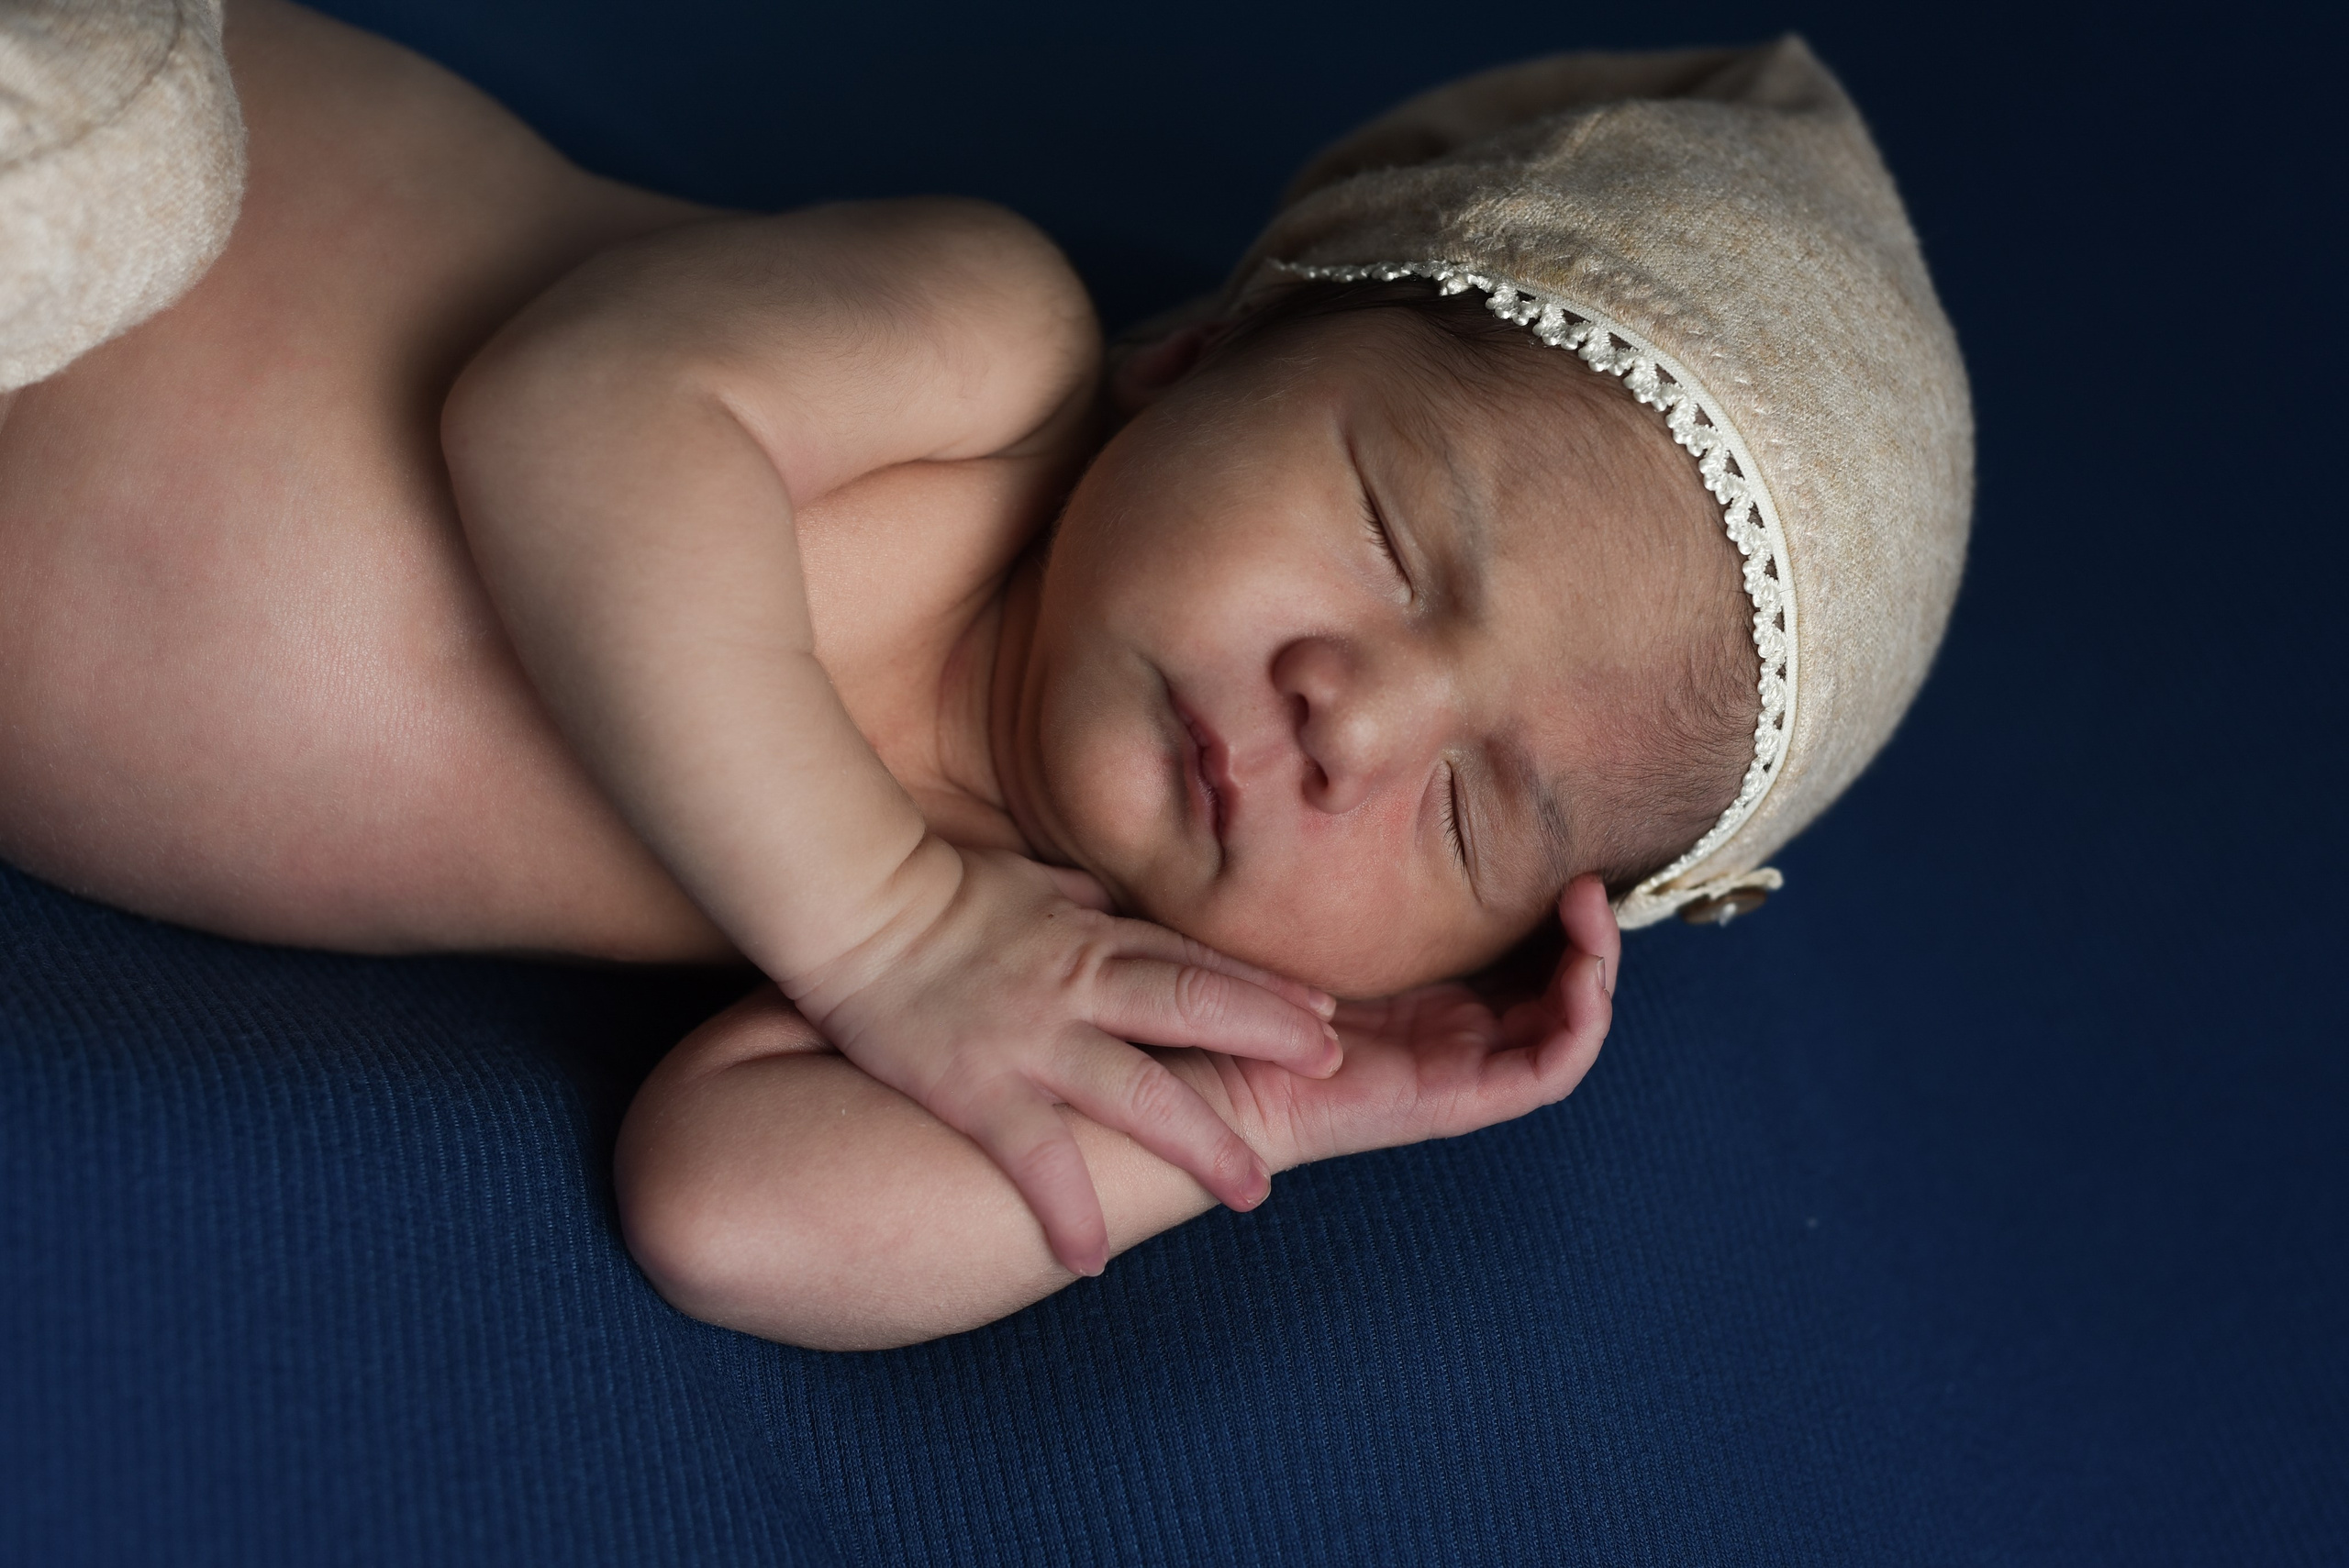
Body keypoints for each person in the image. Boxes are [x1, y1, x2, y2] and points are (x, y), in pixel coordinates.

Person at [0, 0, 1969, 1346]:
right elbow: (571, 416)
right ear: (1199, 353)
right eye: (1388, 533)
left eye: (1468, 807)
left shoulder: (1019, 947)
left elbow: (730, 1213)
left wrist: (1258, 1112)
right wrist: (878, 936)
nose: (1351, 711)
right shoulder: (984, 352)